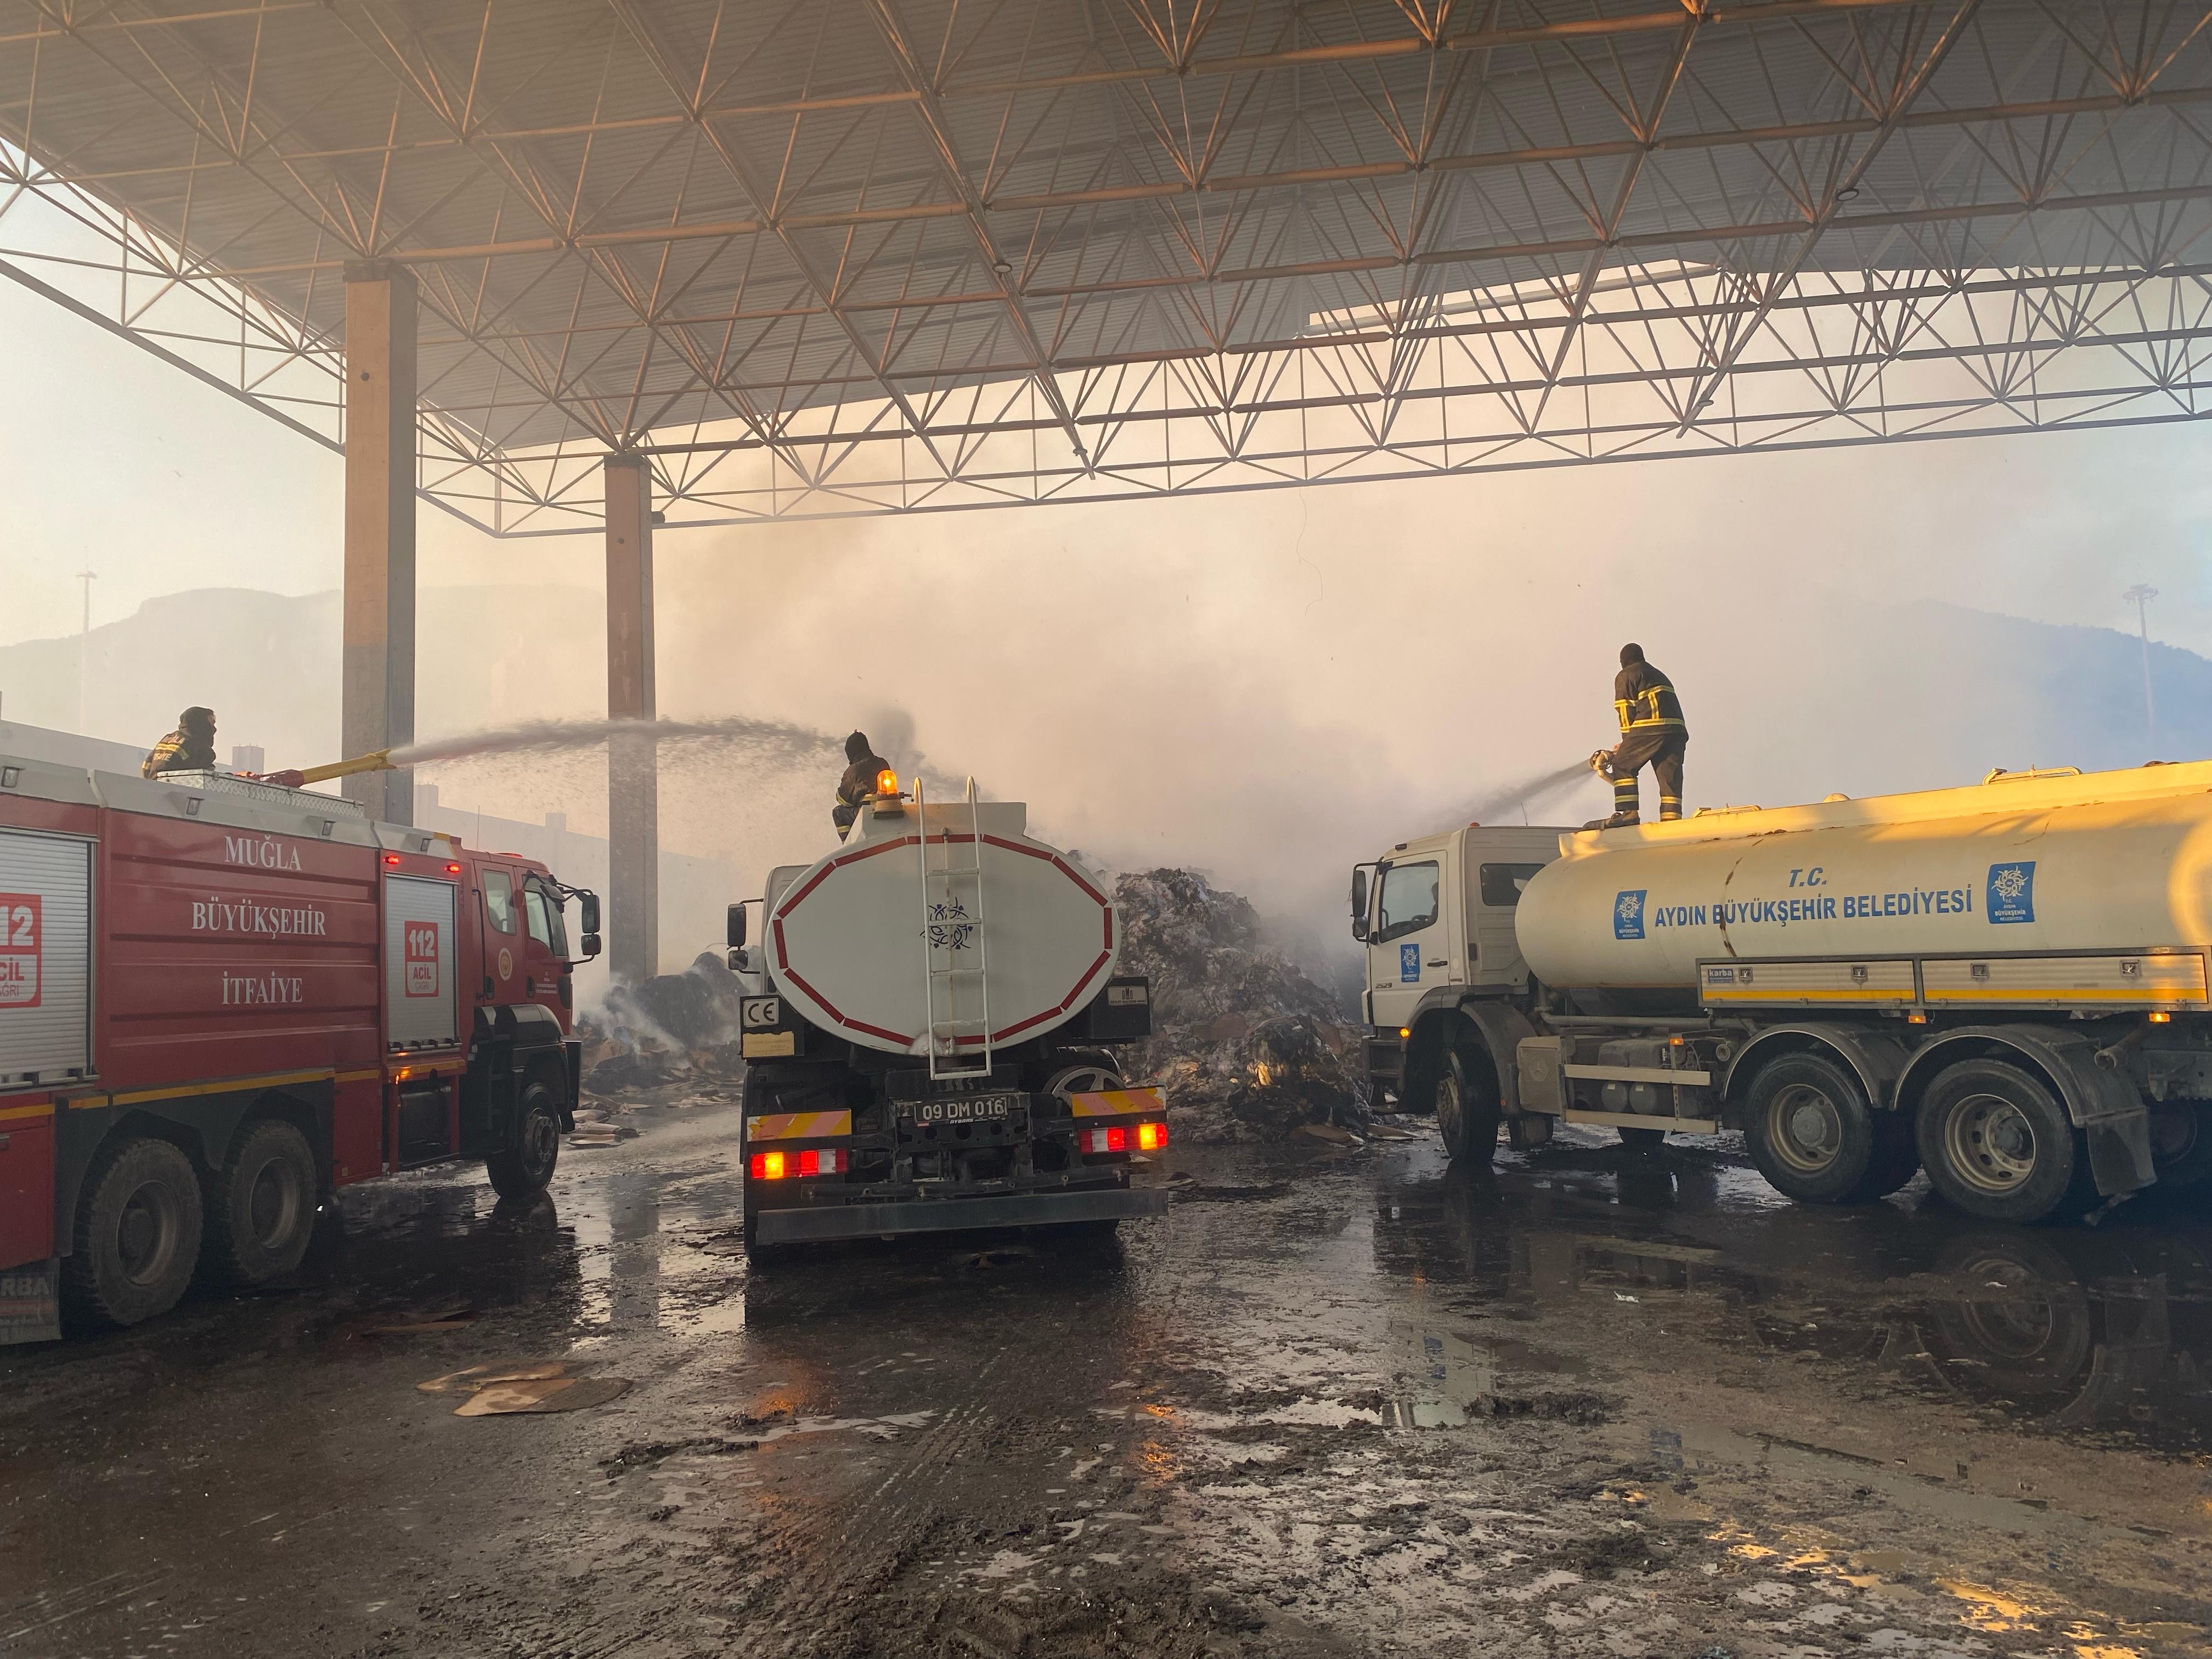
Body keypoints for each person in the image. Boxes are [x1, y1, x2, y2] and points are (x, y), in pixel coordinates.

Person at [1586, 645, 1686, 828]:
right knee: (1669, 776)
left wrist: (1626, 743)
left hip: (1649, 727)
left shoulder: (1626, 676)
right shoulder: (1658, 674)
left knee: (1623, 765)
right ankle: (1672, 821)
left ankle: (1629, 814)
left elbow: (1625, 711)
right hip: (1677, 730)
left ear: (1623, 661)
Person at [832, 730, 892, 839]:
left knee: (838, 812)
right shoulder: (883, 762)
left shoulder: (854, 770)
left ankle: (848, 845)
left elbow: (845, 801)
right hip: (889, 810)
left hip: (867, 813)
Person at [143, 706, 217, 778]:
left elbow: (146, 766)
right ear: (201, 724)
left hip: (154, 786)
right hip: (178, 788)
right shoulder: (199, 746)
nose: (214, 728)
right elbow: (205, 775)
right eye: (211, 722)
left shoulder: (167, 739)